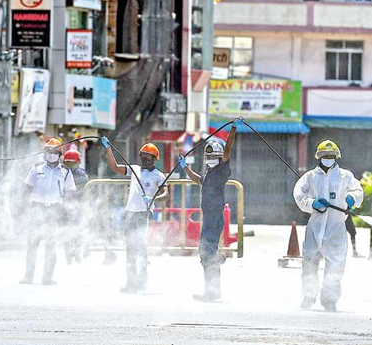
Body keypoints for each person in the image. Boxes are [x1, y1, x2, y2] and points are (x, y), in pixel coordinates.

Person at [293, 140, 363, 312]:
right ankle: (309, 296)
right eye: (325, 155)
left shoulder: (346, 176)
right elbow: (298, 194)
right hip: (315, 228)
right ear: (319, 157)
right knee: (309, 263)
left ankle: (329, 300)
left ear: (336, 157)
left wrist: (352, 198)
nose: (328, 158)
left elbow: (358, 191)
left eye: (331, 156)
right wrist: (312, 203)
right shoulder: (309, 177)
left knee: (335, 266)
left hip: (337, 229)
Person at [179, 117, 243, 301]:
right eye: (209, 157)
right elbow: (198, 179)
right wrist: (185, 168)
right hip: (208, 218)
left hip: (214, 217)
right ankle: (213, 289)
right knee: (206, 254)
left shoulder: (221, 170)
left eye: (215, 157)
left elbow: (228, 147)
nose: (212, 160)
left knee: (206, 253)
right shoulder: (207, 173)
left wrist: (232, 129)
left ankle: (212, 286)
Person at [101, 138, 168, 293]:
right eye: (143, 155)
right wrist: (109, 149)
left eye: (148, 156)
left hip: (143, 213)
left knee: (140, 248)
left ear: (154, 159)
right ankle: (130, 283)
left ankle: (142, 282)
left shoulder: (159, 176)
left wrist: (153, 199)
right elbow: (114, 167)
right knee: (130, 249)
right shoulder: (134, 169)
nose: (144, 158)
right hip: (130, 212)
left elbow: (165, 194)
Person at [20, 138, 76, 285]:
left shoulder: (65, 172)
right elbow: (27, 188)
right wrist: (23, 206)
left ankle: (47, 277)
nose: (51, 154)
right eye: (49, 152)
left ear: (59, 154)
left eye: (54, 152)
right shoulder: (37, 168)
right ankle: (28, 276)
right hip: (36, 209)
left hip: (54, 211)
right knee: (32, 245)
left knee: (51, 246)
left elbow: (69, 193)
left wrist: (68, 212)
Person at [62, 149, 89, 264]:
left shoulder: (78, 174)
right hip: (69, 207)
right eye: (68, 163)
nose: (70, 166)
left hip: (76, 206)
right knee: (69, 231)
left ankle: (75, 253)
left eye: (71, 163)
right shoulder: (63, 173)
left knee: (75, 231)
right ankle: (70, 254)